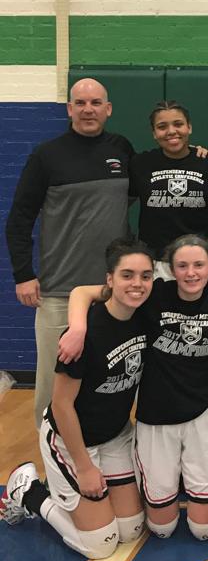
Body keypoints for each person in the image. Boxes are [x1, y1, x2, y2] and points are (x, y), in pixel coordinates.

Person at [61, 234, 208, 542]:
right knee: (161, 529)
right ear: (170, 269)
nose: (191, 273)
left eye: (198, 265)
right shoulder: (152, 295)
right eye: (182, 265)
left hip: (202, 415)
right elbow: (83, 292)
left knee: (203, 530)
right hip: (156, 418)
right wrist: (78, 326)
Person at [1, 239, 154, 560]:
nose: (137, 284)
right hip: (71, 439)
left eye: (145, 275)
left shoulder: (144, 314)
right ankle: (29, 491)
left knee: (131, 530)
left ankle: (88, 504)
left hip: (114, 435)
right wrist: (84, 468)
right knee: (100, 545)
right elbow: (60, 406)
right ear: (109, 280)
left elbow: (82, 291)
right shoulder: (84, 334)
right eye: (127, 275)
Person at [5, 77, 133, 426]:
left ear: (108, 109)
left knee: (110, 381)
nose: (88, 109)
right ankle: (51, 473)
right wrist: (24, 275)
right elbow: (18, 220)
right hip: (60, 291)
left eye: (95, 103)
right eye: (80, 103)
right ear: (69, 109)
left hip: (112, 295)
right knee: (52, 387)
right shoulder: (47, 155)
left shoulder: (122, 149)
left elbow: (152, 197)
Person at [129, 101, 208, 277]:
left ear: (189, 127)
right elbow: (121, 203)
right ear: (154, 133)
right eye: (162, 126)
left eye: (178, 124)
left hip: (198, 261)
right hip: (155, 262)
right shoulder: (140, 164)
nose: (171, 131)